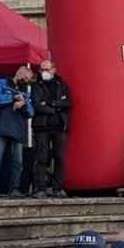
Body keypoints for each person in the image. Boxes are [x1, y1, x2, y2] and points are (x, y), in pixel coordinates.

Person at [0, 65, 33, 198]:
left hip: (18, 130)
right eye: (25, 78)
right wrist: (12, 99)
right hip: (0, 128)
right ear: (20, 73)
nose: (26, 81)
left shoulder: (25, 90)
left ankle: (14, 189)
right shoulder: (0, 83)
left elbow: (31, 112)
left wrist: (24, 104)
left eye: (28, 80)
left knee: (18, 162)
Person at [30, 58, 71, 198]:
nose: (43, 72)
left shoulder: (62, 85)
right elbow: (37, 105)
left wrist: (50, 103)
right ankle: (40, 188)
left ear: (53, 70)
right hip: (42, 127)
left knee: (60, 157)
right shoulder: (36, 86)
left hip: (59, 126)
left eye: (46, 69)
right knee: (42, 157)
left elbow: (67, 103)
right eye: (41, 69)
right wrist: (55, 108)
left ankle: (57, 188)